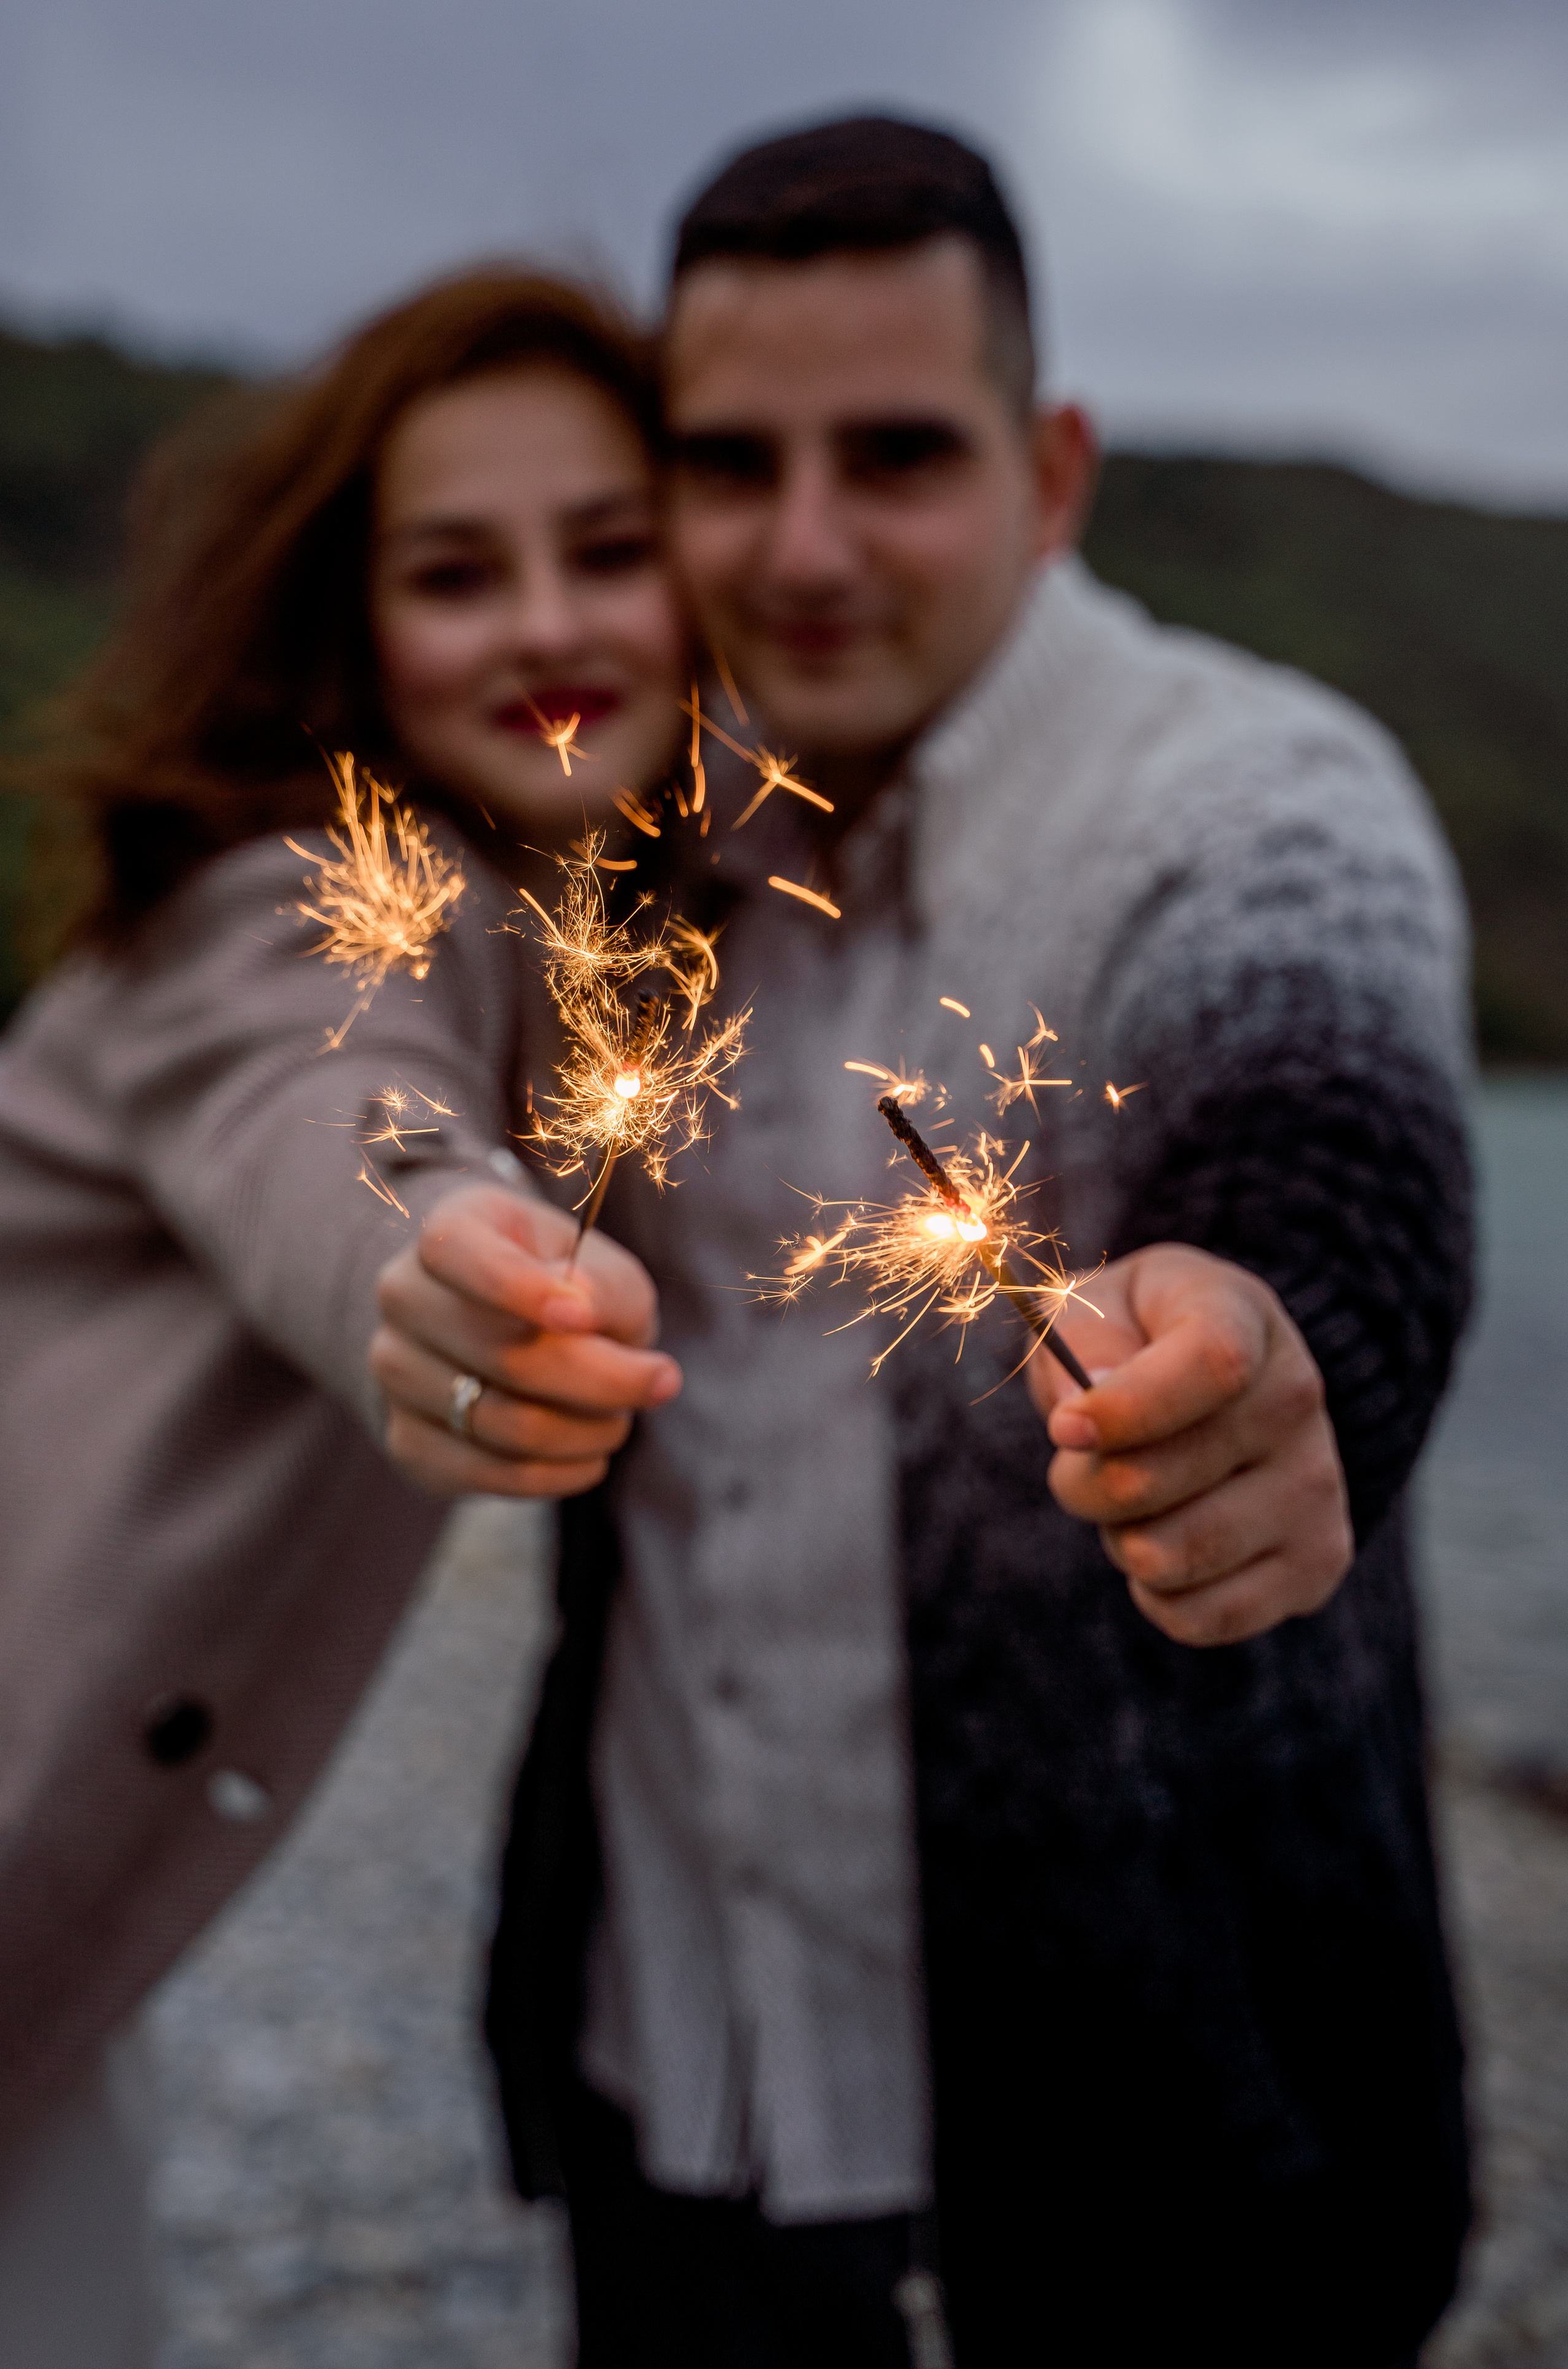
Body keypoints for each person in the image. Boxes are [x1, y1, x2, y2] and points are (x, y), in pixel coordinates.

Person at [371, 118, 1477, 2366]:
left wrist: (1273, 1351)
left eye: (894, 456)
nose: (803, 546)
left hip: (1182, 2162)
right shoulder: (622, 816)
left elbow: (1323, 1103)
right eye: (729, 461)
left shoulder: (1255, 790)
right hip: (673, 2079)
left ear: (1052, 469)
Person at [0, 265, 689, 2365]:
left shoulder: (608, 954)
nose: (549, 625)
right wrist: (444, 1263)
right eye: (459, 572)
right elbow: (331, 1108)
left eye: (611, 548)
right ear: (352, 624)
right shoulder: (300, 891)